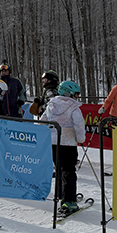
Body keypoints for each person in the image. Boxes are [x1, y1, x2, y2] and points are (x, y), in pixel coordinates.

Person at [42, 80, 87, 215]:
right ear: (69, 93)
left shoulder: (51, 105)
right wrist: (81, 139)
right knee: (68, 171)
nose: (77, 97)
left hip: (53, 143)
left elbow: (43, 121)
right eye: (76, 94)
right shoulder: (73, 108)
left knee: (60, 170)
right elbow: (79, 125)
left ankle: (62, 196)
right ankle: (68, 202)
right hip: (68, 143)